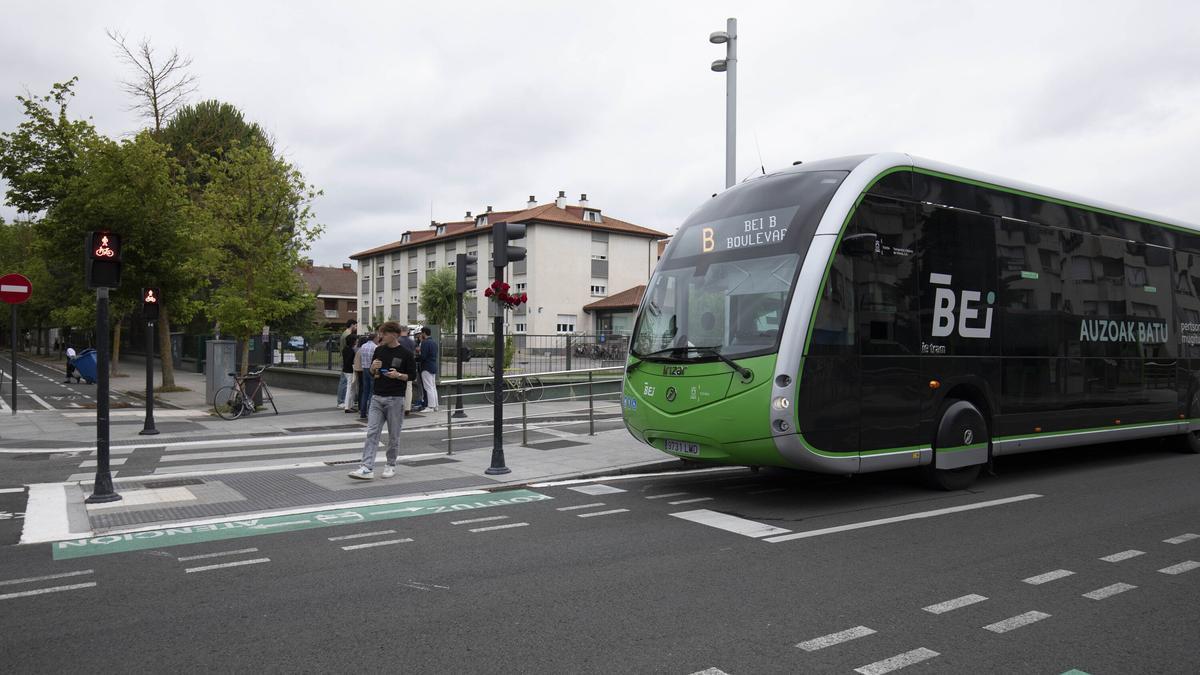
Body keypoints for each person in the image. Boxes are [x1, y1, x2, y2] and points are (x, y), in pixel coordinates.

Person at [349, 321, 416, 480]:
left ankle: (390, 465)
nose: (381, 336)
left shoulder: (406, 354)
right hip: (377, 397)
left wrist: (398, 375)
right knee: (372, 432)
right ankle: (366, 467)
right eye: (380, 333)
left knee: (394, 435)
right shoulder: (379, 350)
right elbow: (374, 374)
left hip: (395, 398)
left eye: (384, 333)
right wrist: (373, 368)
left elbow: (412, 376)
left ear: (394, 334)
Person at [415, 326, 439, 412]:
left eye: (421, 333)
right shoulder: (434, 342)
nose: (420, 335)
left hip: (426, 367)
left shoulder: (425, 343)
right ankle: (435, 405)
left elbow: (423, 357)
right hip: (433, 366)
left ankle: (431, 407)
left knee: (428, 387)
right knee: (433, 387)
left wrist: (415, 358)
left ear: (424, 333)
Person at [358, 330, 379, 420]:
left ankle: (362, 412)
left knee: (365, 391)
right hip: (371, 369)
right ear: (375, 338)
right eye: (377, 338)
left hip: (364, 369)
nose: (378, 339)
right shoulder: (375, 347)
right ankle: (370, 411)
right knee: (372, 391)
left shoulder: (363, 346)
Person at [337, 332, 356, 409]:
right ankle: (347, 406)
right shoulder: (351, 351)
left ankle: (349, 405)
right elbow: (350, 361)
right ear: (353, 341)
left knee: (350, 388)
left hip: (345, 370)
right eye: (356, 340)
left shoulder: (345, 349)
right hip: (350, 371)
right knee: (349, 388)